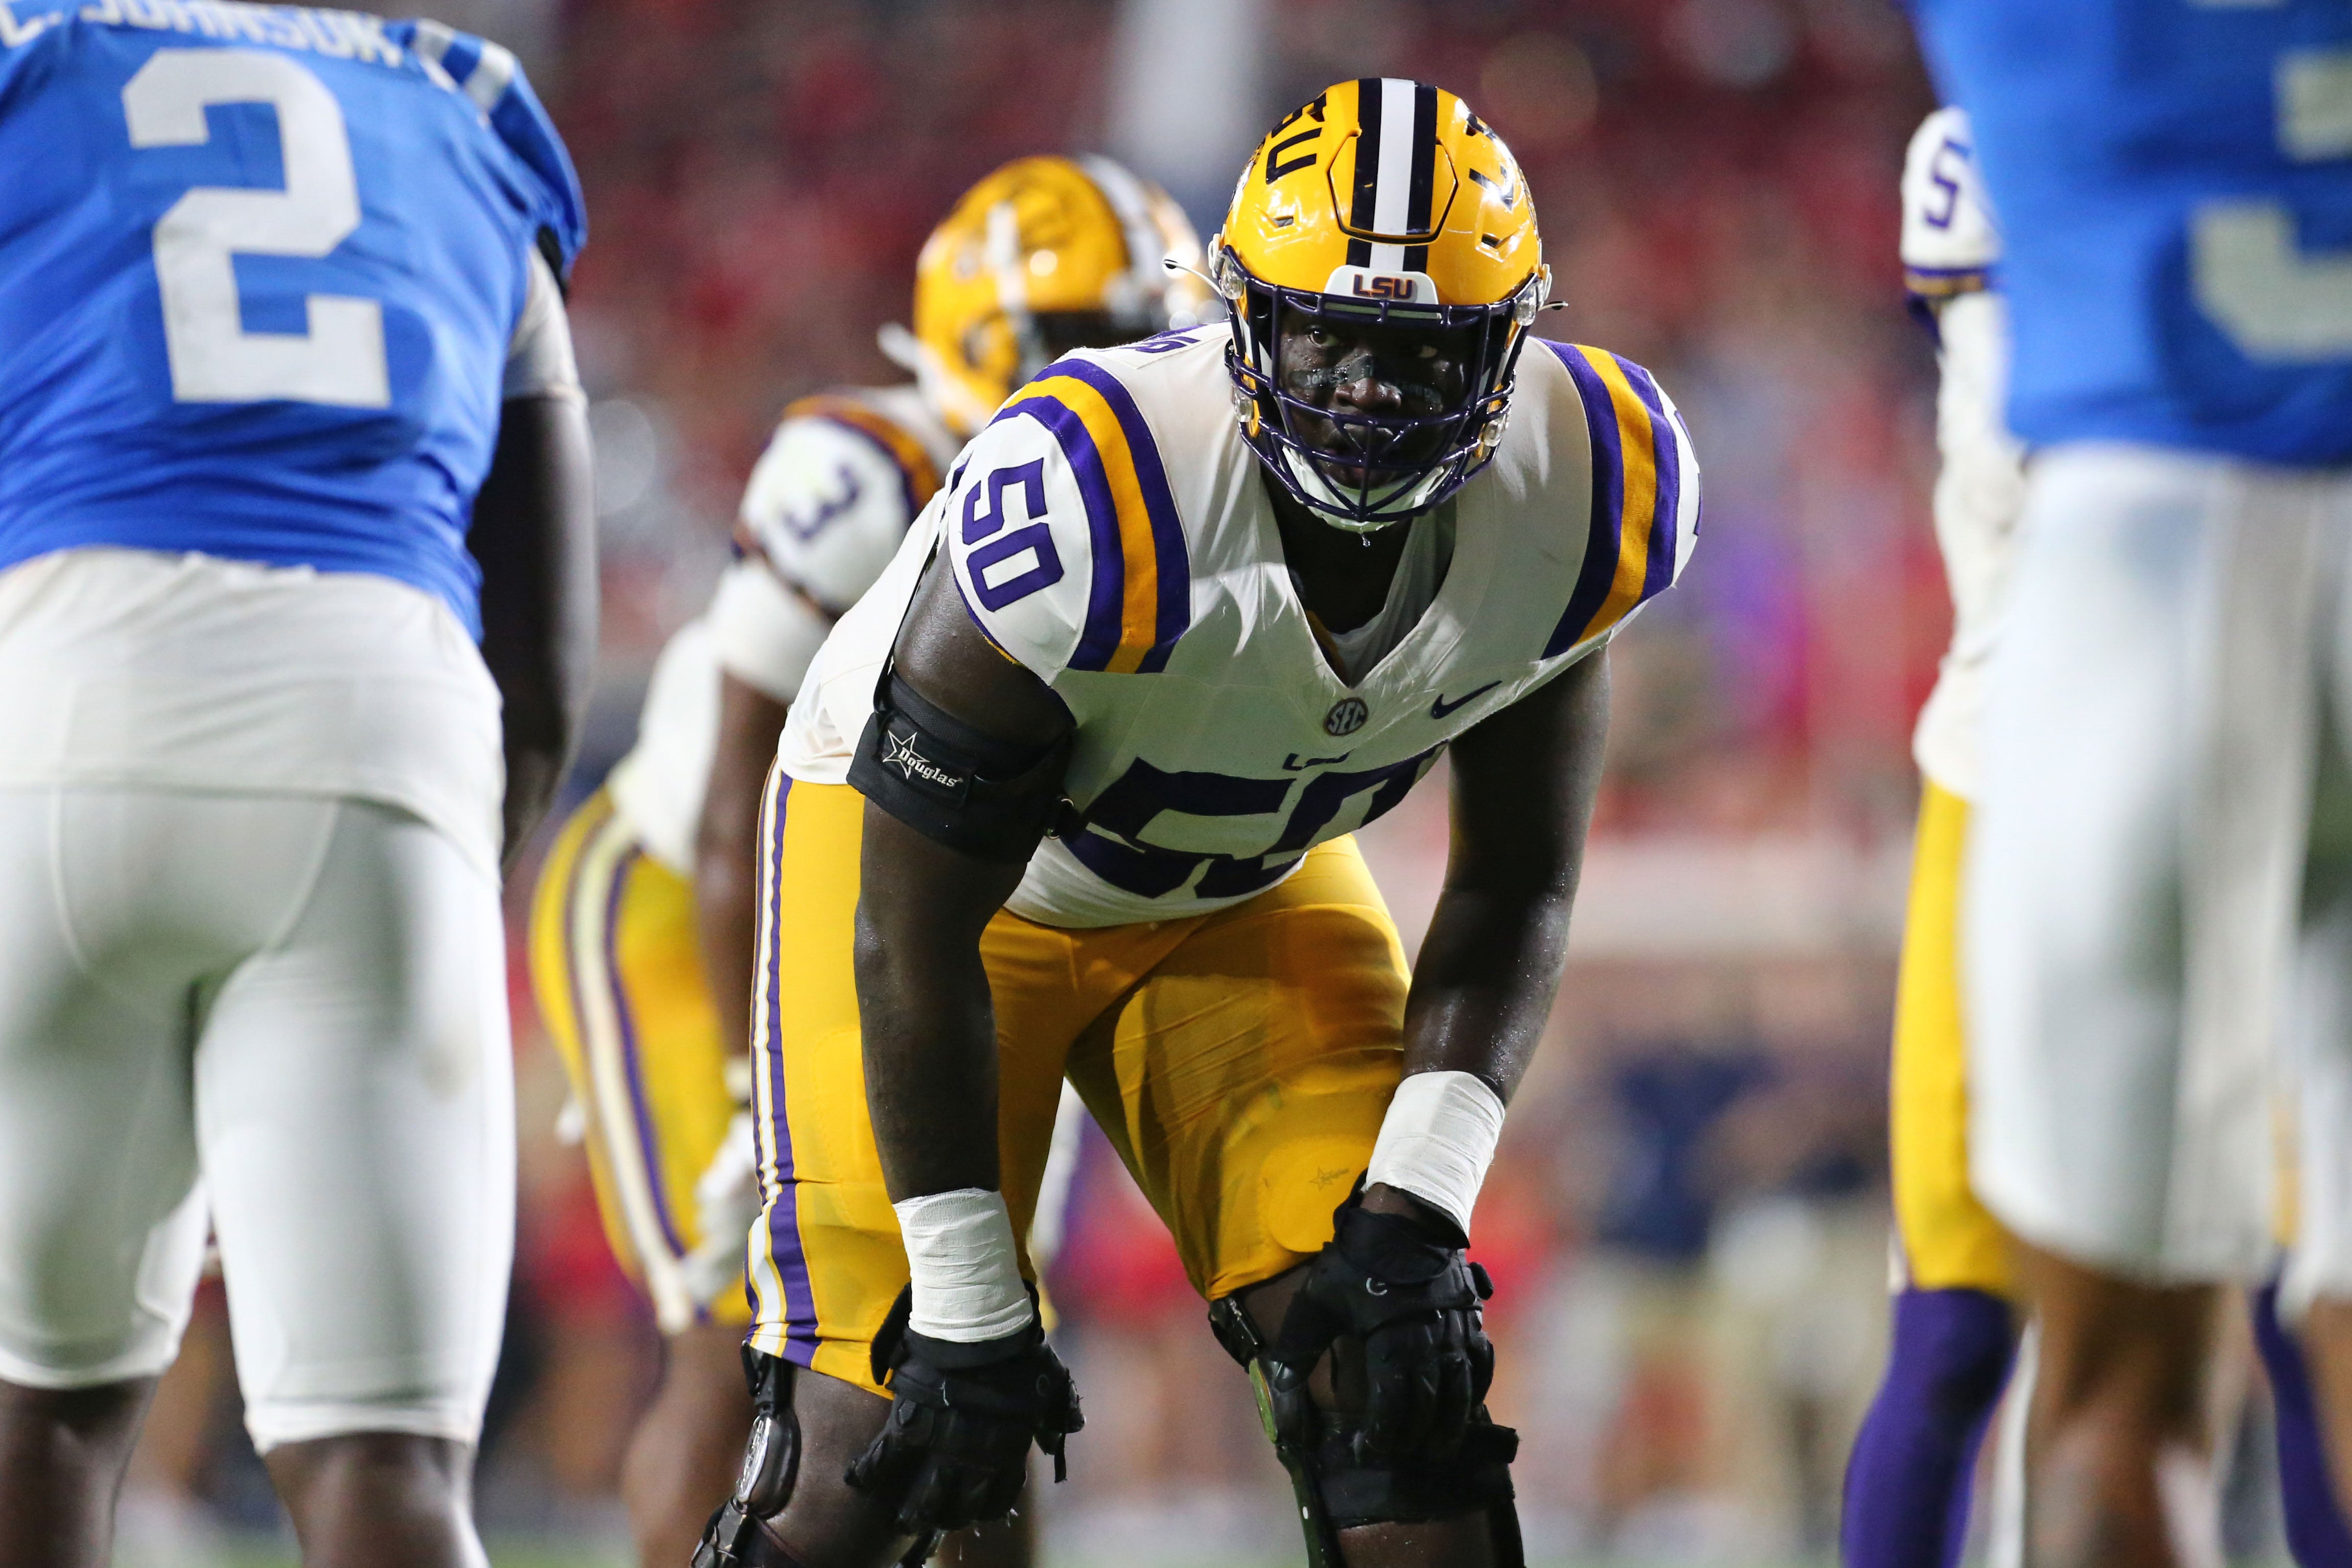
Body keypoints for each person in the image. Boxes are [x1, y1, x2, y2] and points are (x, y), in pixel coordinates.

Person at [694, 78, 1702, 1568]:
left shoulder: (1588, 487)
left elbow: (1514, 887)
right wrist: (972, 1297)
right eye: (1327, 337)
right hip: (944, 899)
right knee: (873, 1449)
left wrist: (1417, 1212)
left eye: (1415, 350)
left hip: (1246, 890)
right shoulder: (1097, 492)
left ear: (1506, 351)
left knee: (1400, 1380)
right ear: (1241, 323)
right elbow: (907, 937)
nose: (1362, 388)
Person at [527, 154, 1208, 1565]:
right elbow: (736, 806)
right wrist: (743, 1089)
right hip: (687, 901)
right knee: (748, 1333)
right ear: (975, 345)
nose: (1132, 376)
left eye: (1157, 334)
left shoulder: (1196, 495)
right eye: (1093, 340)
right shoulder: (867, 470)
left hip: (944, 925)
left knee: (982, 1332)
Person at [0, 11, 593, 1568]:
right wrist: (445, 884)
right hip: (381, 716)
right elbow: (543, 637)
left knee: (34, 1416)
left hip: (60, 688)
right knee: (383, 1457)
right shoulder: (463, 112)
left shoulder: (29, 68)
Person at [1840, 106, 2352, 1568]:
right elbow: (2036, 460)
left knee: (2294, 1297)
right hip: (2020, 752)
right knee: (1953, 1325)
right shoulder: (1993, 136)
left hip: (2237, 732)